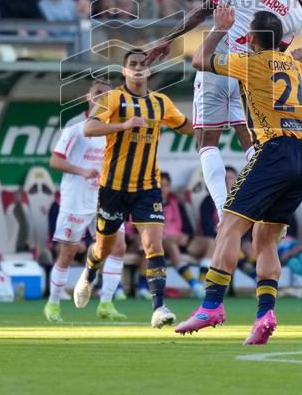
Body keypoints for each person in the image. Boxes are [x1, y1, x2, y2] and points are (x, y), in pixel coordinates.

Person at [177, 6, 302, 345]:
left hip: (273, 151)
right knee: (265, 239)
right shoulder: (293, 67)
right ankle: (265, 314)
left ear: (251, 38)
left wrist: (219, 29)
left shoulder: (250, 63)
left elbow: (200, 60)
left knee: (230, 226)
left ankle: (211, 306)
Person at [146, 0, 302, 220]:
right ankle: (265, 205)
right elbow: (274, 53)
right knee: (249, 140)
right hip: (249, 75)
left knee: (207, 141)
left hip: (217, 63)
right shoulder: (297, 11)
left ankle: (223, 212)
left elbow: (203, 11)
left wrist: (168, 38)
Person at [73, 49, 195, 328]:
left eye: (143, 64)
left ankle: (158, 307)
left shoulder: (161, 102)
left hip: (147, 187)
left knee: (153, 244)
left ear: (149, 70)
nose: (138, 68)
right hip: (113, 187)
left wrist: (215, 122)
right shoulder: (112, 99)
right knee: (103, 248)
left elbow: (186, 127)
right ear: (125, 71)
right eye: (133, 64)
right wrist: (125, 124)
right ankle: (89, 272)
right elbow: (89, 128)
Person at [44, 78, 128, 323]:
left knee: (118, 246)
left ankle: (106, 303)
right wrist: (82, 171)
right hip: (77, 199)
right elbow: (55, 161)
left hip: (106, 198)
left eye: (107, 94)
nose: (102, 97)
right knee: (68, 252)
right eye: (98, 92)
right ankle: (53, 303)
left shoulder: (115, 129)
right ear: (88, 97)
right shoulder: (75, 128)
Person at [160, 172, 211, 298]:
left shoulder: (176, 202)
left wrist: (186, 236)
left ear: (169, 187)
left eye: (165, 185)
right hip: (163, 242)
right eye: (159, 185)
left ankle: (201, 283)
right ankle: (194, 285)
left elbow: (187, 226)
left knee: (210, 243)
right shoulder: (149, 204)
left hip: (181, 240)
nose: (162, 188)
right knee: (172, 245)